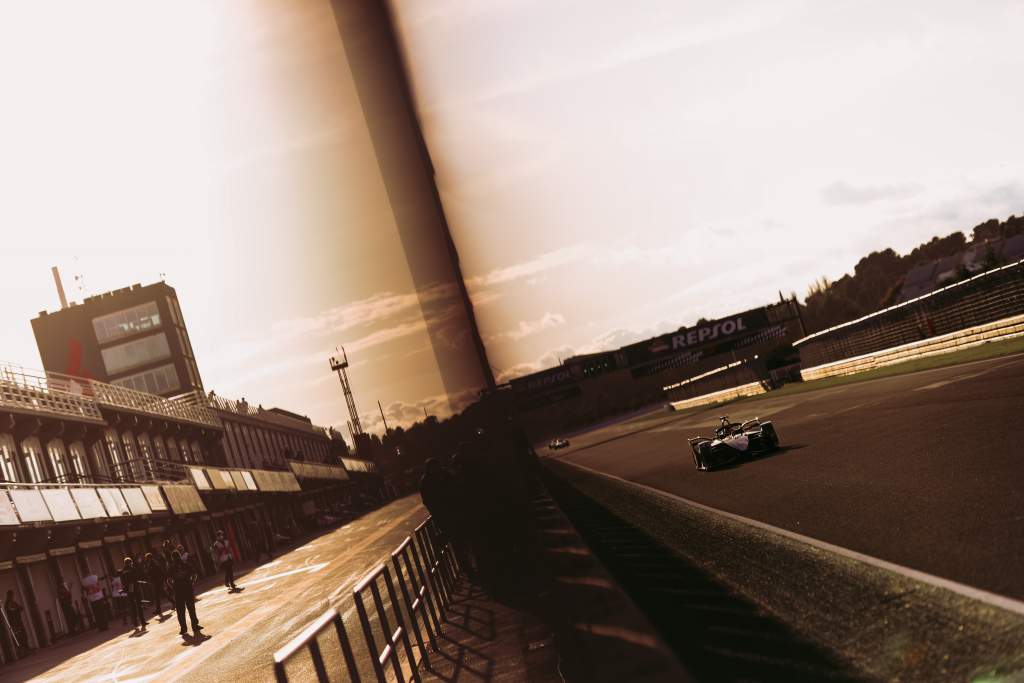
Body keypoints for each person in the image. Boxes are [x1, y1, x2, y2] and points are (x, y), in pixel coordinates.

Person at [167, 550, 202, 637]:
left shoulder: (171, 567)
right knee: (191, 608)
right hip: (188, 588)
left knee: (180, 610)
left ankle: (183, 629)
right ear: (179, 556)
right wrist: (192, 582)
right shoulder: (186, 564)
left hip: (178, 590)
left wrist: (173, 587)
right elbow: (195, 574)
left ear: (172, 558)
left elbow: (168, 580)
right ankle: (195, 626)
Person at [121, 557, 146, 631]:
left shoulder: (123, 571)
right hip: (135, 589)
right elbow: (137, 577)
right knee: (139, 605)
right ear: (130, 562)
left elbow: (122, 582)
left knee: (132, 607)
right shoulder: (133, 569)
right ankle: (143, 622)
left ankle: (135, 624)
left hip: (129, 590)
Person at [3, 589, 30, 655]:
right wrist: (15, 608)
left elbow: (20, 608)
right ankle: (21, 651)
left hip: (18, 621)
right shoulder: (8, 603)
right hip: (14, 623)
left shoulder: (13, 602)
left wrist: (18, 608)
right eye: (11, 595)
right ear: (9, 596)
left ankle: (26, 648)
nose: (12, 597)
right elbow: (9, 609)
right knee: (17, 636)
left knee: (23, 635)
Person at [144, 552, 167, 617]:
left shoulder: (153, 563)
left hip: (157, 581)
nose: (146, 560)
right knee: (158, 595)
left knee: (161, 594)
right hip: (156, 581)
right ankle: (158, 609)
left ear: (149, 558)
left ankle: (173, 602)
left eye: (147, 558)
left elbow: (156, 572)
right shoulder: (152, 563)